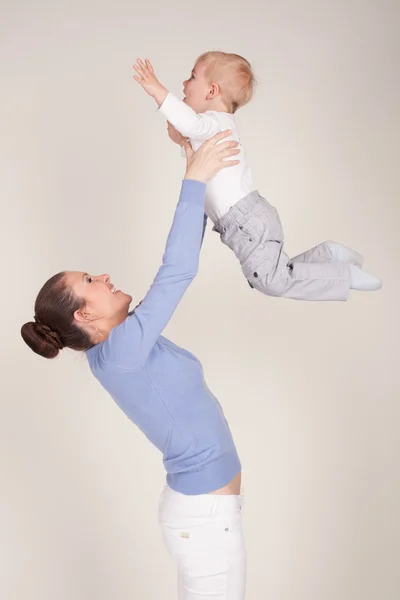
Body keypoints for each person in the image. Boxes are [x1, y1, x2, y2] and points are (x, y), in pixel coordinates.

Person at [21, 132, 247, 600]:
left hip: (204, 515)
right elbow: (177, 270)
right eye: (89, 281)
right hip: (205, 520)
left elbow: (179, 264)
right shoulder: (121, 354)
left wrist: (200, 183)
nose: (102, 276)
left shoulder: (123, 348)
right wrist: (193, 180)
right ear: (85, 315)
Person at [133, 52, 382, 301]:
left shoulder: (214, 122)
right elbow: (191, 139)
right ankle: (329, 256)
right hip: (250, 217)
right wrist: (179, 138)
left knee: (271, 281)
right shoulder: (215, 126)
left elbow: (189, 124)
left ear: (212, 91)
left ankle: (344, 275)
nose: (184, 84)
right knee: (278, 275)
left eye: (192, 77)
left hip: (244, 221)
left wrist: (157, 90)